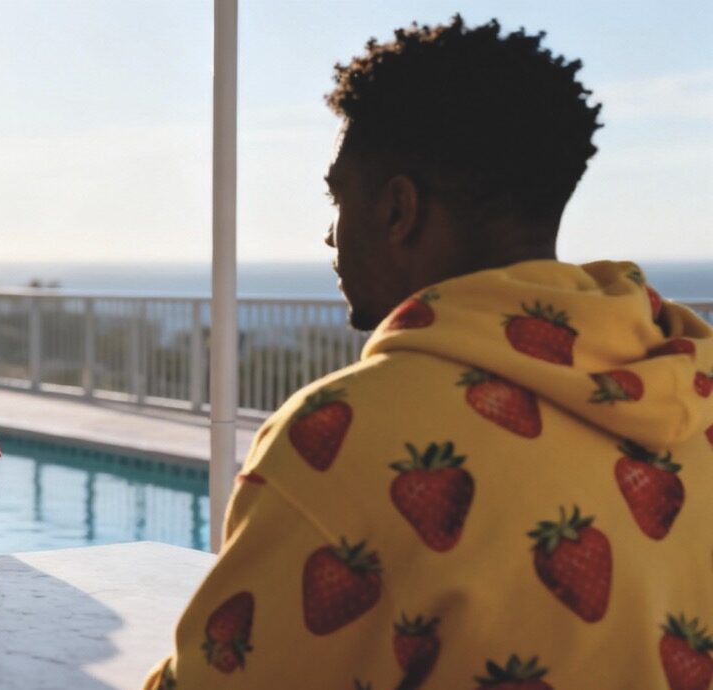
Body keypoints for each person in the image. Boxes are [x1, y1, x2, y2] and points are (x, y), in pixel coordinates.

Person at [145, 16, 712, 690]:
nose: (330, 235)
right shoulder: (693, 386)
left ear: (396, 210)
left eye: (338, 198)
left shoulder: (346, 437)